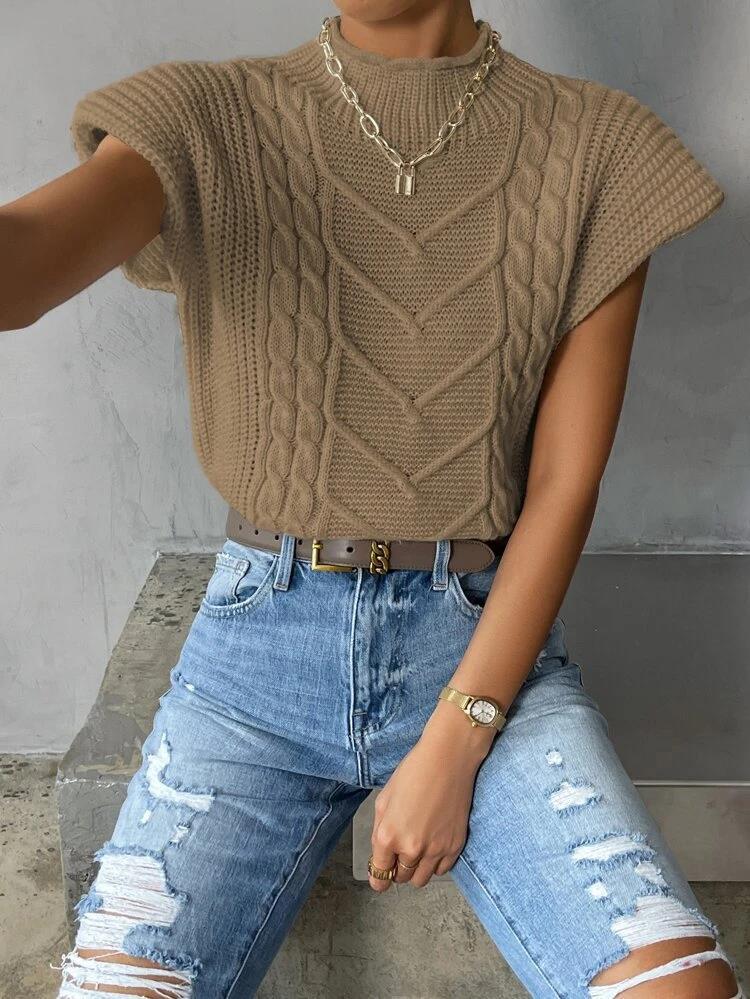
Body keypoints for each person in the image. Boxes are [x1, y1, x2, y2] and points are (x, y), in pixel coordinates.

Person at [2, 2, 741, 997]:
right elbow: (22, 266)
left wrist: (459, 735)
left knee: (682, 987)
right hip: (253, 665)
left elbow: (564, 485)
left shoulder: (600, 147)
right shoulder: (204, 116)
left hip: (478, 650)